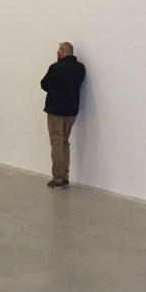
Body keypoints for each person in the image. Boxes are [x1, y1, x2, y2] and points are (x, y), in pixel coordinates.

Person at [40, 41, 86, 188]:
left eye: (59, 50)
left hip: (56, 110)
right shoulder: (80, 68)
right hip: (71, 111)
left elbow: (44, 84)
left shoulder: (56, 67)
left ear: (62, 51)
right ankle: (65, 176)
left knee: (56, 143)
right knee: (65, 142)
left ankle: (58, 178)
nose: (57, 53)